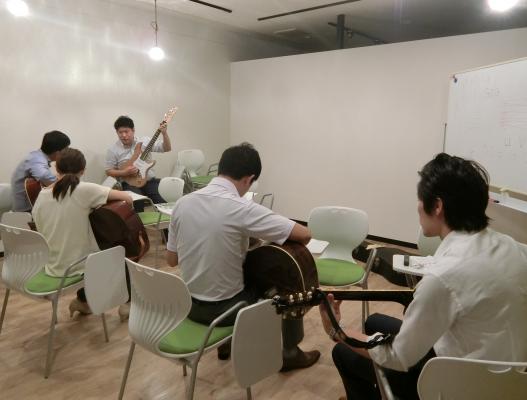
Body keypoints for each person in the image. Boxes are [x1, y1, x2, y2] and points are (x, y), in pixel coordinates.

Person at [319, 153, 527, 400]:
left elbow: (398, 357)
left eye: (420, 198)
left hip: (458, 386)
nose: (418, 206)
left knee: (343, 353)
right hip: (512, 381)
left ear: (437, 206)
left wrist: (337, 331)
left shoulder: (443, 276)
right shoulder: (513, 247)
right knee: (374, 321)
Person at [166, 142, 320, 370]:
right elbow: (305, 234)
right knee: (286, 277)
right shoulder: (240, 208)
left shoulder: (182, 204)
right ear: (249, 179)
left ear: (221, 169)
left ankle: (225, 345)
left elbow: (171, 261)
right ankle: (289, 352)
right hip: (227, 311)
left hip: (189, 306)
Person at [32, 148, 133, 316]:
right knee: (119, 252)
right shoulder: (83, 189)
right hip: (76, 265)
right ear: (83, 170)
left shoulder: (42, 195)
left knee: (86, 247)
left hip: (52, 265)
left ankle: (82, 302)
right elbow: (127, 198)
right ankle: (127, 305)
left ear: (56, 169)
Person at [105, 115, 171, 211]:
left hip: (149, 181)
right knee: (137, 204)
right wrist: (124, 173)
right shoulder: (113, 150)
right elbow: (108, 171)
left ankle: (165, 220)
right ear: (117, 132)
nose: (124, 135)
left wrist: (164, 133)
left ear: (133, 130)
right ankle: (140, 221)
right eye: (120, 132)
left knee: (162, 202)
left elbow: (167, 148)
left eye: (126, 131)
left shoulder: (145, 141)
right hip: (129, 183)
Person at [11, 130, 71, 212]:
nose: (66, 153)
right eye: (66, 150)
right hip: (25, 212)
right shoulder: (36, 159)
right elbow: (44, 176)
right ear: (57, 153)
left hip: (31, 209)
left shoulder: (37, 156)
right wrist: (66, 183)